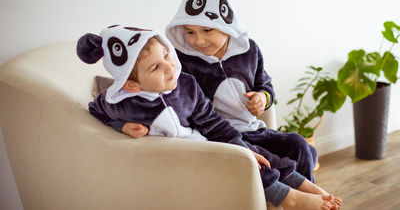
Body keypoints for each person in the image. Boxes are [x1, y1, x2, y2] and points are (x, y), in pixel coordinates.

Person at [76, 25, 340, 209]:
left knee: (257, 152)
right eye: (156, 67)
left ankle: (302, 184)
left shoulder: (186, 85)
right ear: (131, 84)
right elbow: (96, 107)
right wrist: (120, 125)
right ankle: (289, 199)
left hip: (207, 141)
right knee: (246, 159)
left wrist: (243, 146)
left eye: (167, 55)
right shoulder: (124, 101)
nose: (171, 67)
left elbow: (213, 124)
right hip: (181, 162)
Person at [165, 0, 317, 184]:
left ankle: (309, 202)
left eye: (207, 30)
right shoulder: (183, 62)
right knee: (273, 160)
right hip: (218, 137)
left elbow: (264, 84)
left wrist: (262, 98)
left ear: (226, 25)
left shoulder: (249, 50)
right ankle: (299, 197)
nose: (198, 40)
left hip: (253, 130)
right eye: (190, 32)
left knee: (299, 145)